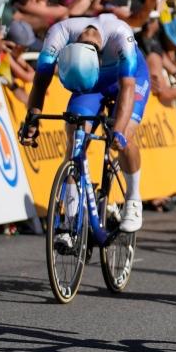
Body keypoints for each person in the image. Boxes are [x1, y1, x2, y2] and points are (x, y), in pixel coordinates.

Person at [18, 14, 151, 250]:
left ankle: (133, 198)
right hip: (90, 84)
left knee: (124, 137)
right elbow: (40, 82)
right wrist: (32, 120)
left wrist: (118, 131)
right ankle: (70, 219)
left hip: (130, 77)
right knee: (75, 140)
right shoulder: (58, 34)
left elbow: (128, 87)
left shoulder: (120, 34)